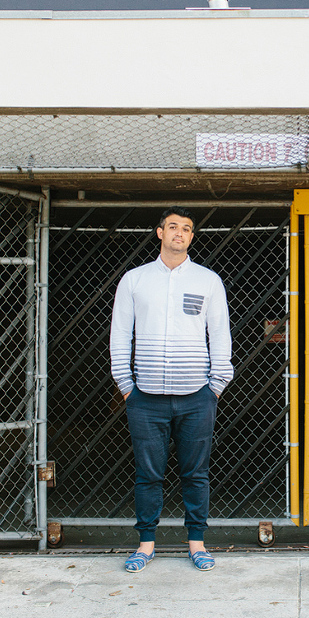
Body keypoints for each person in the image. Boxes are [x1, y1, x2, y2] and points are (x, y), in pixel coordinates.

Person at [110, 206, 233, 572]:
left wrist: (216, 386)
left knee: (196, 473)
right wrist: (126, 385)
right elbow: (120, 334)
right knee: (148, 474)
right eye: (173, 227)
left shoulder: (207, 280)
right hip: (144, 399)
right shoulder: (135, 280)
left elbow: (220, 335)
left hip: (197, 397)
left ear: (191, 238)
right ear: (159, 232)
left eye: (187, 229)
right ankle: (146, 544)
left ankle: (197, 543)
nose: (180, 233)